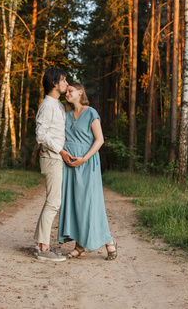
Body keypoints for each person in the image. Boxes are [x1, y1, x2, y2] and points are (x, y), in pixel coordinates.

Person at [57, 82, 118, 260]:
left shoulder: (91, 112)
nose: (67, 94)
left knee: (91, 203)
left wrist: (84, 158)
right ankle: (80, 246)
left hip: (87, 163)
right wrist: (61, 152)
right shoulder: (66, 115)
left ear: (80, 92)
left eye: (70, 91)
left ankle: (108, 241)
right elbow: (59, 137)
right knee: (75, 204)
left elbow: (99, 140)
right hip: (69, 164)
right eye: (66, 91)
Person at [33, 68, 73, 262]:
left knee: (52, 201)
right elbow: (40, 134)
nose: (67, 83)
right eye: (64, 80)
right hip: (53, 158)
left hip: (54, 156)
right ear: (54, 83)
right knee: (53, 202)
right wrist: (61, 150)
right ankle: (44, 249)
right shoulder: (48, 104)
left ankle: (40, 243)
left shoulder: (57, 104)